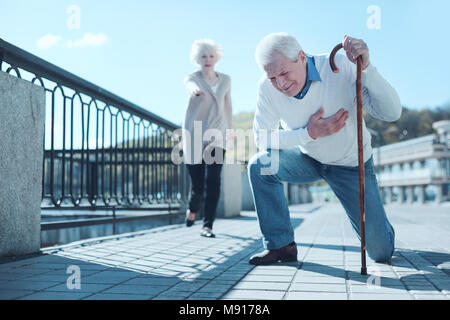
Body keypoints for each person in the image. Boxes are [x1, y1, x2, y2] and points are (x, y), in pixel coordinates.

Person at [248, 32, 401, 265]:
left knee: (380, 252)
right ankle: (282, 247)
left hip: (350, 164)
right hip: (308, 158)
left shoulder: (340, 66)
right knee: (260, 165)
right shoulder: (267, 88)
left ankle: (378, 225)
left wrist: (367, 67)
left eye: (284, 73)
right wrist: (309, 133)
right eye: (272, 78)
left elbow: (391, 113)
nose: (280, 83)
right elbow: (262, 138)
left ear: (301, 57)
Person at [182, 39, 233, 238]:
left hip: (217, 135)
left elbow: (228, 106)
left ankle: (208, 225)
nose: (207, 59)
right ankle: (192, 209)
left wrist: (230, 129)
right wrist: (193, 90)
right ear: (197, 58)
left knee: (213, 180)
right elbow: (190, 85)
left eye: (211, 56)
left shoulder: (226, 80)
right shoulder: (191, 78)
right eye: (203, 56)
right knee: (198, 186)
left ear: (216, 57)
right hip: (194, 134)